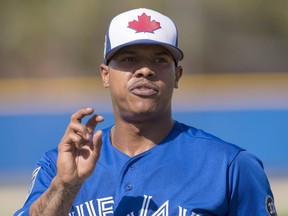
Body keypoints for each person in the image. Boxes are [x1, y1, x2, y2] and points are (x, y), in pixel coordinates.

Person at [15, 8, 277, 216]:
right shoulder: (59, 166)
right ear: (105, 75)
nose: (145, 70)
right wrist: (67, 185)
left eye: (160, 60)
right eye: (129, 59)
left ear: (178, 75)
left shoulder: (230, 165)